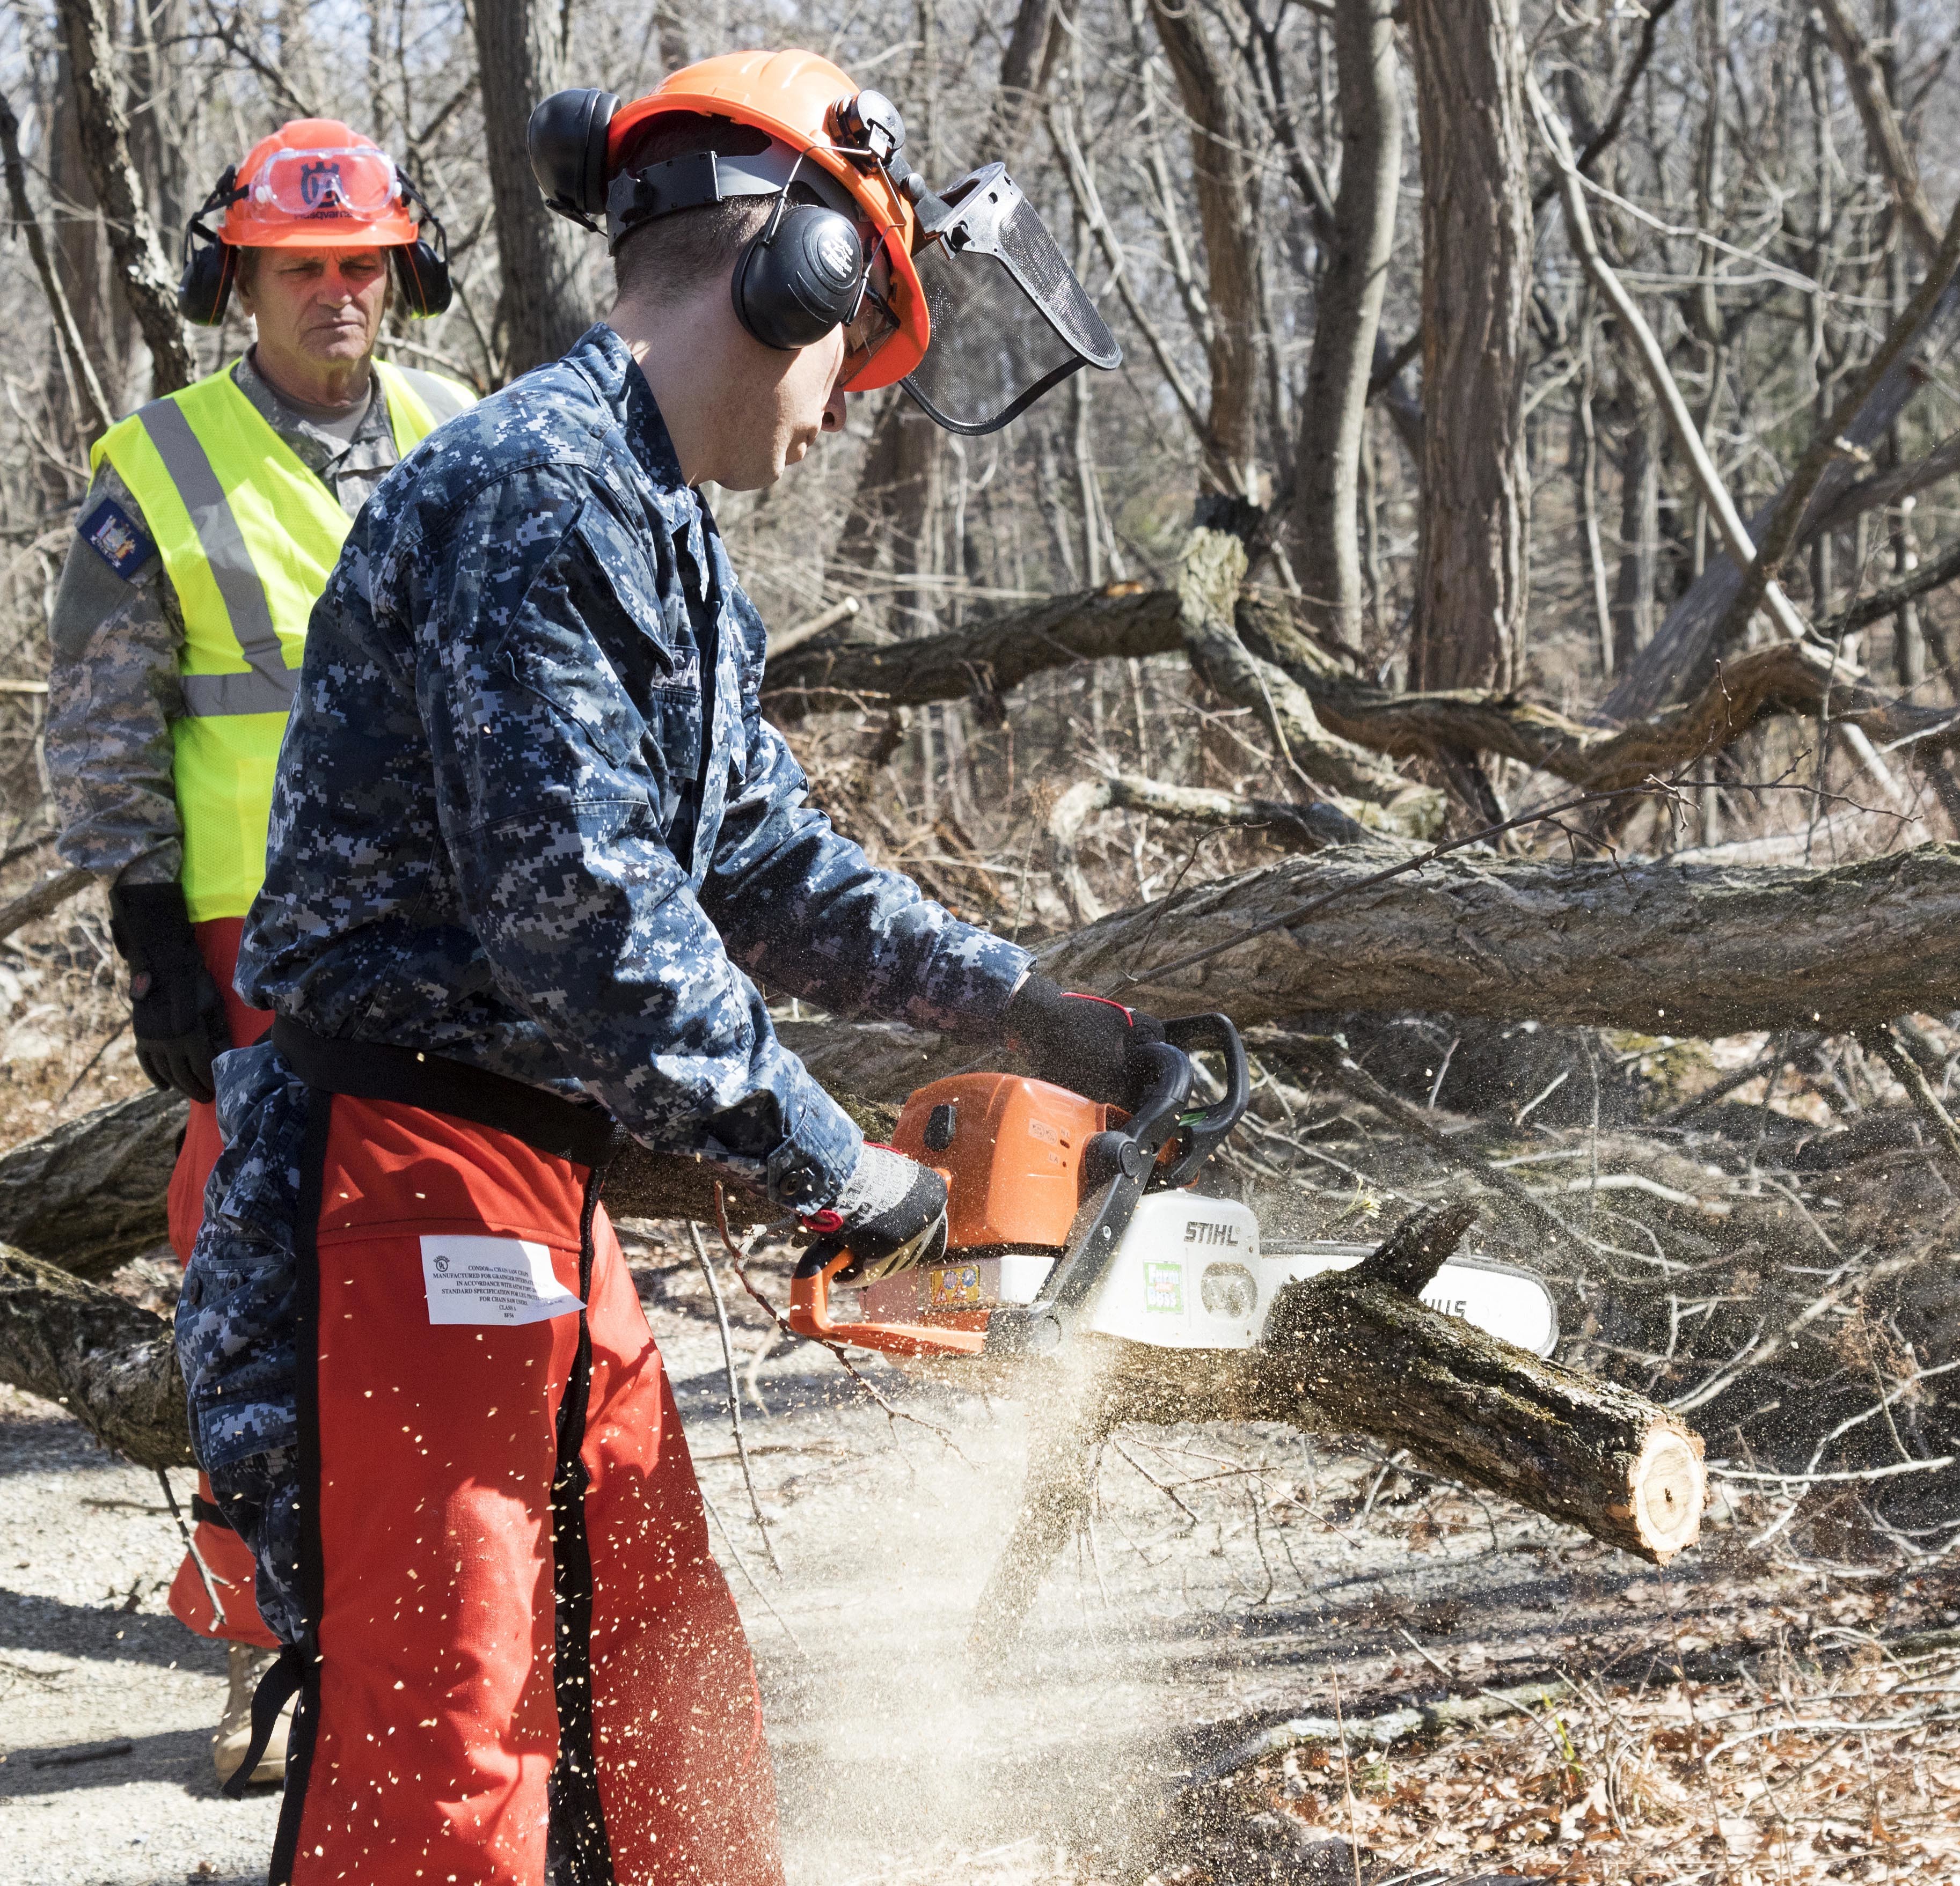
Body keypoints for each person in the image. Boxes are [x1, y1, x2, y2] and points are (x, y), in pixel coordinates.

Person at [175, 49, 1145, 1885]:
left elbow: (759, 856)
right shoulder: (537, 495)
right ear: (793, 278)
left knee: (656, 1694)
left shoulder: (661, 529)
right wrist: (830, 1164)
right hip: (406, 1171)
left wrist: (1027, 1005)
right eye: (856, 341)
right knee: (453, 1734)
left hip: (532, 1177)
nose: (847, 404)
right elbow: (587, 914)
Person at [45, 117, 474, 1785]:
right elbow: (100, 724)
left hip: (457, 942)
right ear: (241, 279)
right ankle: (264, 1650)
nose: (335, 292)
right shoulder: (159, 467)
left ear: (399, 274)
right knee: (256, 1295)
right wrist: (148, 930)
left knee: (469, 1277)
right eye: (302, 267)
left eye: (361, 262)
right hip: (253, 954)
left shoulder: (466, 434)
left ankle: (457, 1635)